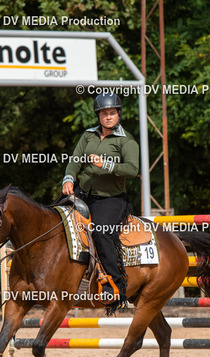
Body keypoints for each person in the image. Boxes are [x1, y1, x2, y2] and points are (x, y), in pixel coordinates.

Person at [62, 93, 140, 304]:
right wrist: (68, 179)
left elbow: (132, 169)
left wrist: (106, 164)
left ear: (118, 114)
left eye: (112, 113)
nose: (108, 117)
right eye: (104, 113)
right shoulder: (88, 135)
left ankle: (115, 285)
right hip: (82, 193)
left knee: (102, 233)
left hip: (111, 199)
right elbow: (74, 161)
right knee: (55, 220)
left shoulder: (127, 140)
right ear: (98, 116)